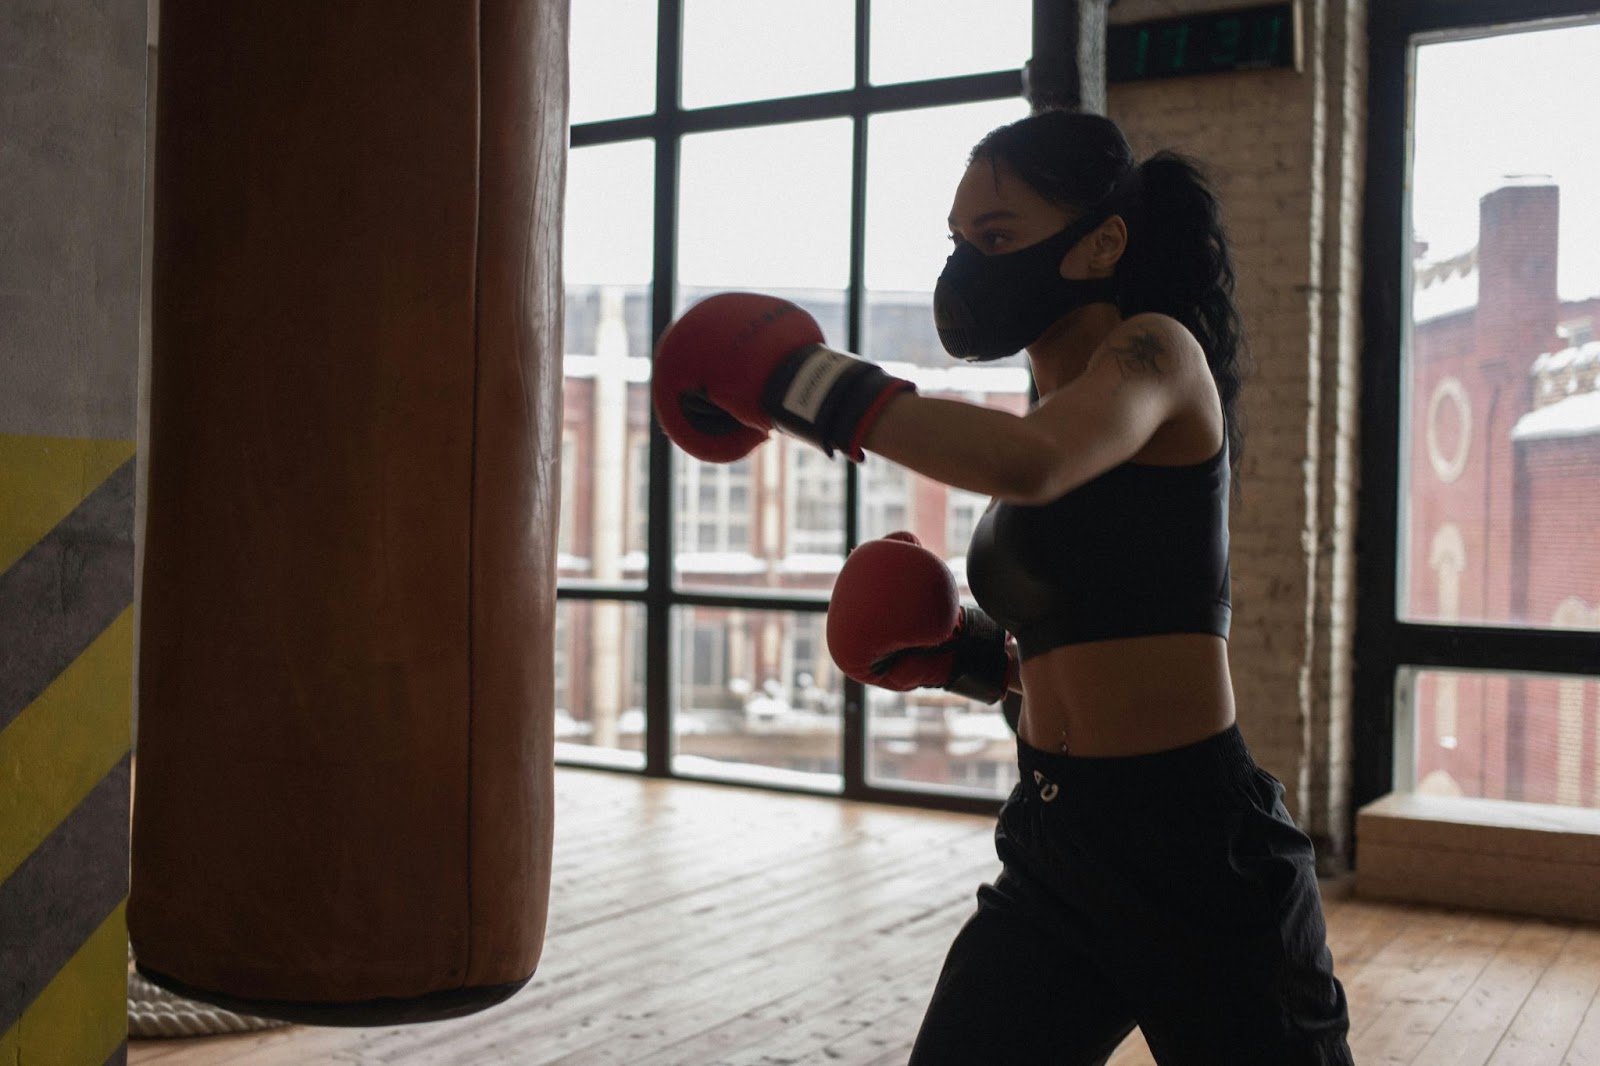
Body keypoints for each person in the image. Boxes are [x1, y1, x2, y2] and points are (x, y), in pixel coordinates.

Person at [652, 108, 1352, 1065]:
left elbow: (1029, 464)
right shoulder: (1056, 406)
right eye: (958, 240)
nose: (968, 264)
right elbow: (1079, 652)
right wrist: (967, 658)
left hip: (1194, 849)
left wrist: (799, 382)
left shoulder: (1157, 360)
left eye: (996, 237)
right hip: (1056, 845)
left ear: (1101, 243)